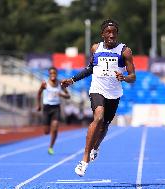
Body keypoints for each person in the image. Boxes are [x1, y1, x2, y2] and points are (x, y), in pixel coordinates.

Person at [61, 19, 136, 176]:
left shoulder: (125, 51)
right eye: (108, 32)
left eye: (114, 32)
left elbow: (133, 76)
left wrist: (124, 78)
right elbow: (90, 69)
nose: (111, 35)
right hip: (97, 89)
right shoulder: (96, 48)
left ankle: (96, 147)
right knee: (98, 117)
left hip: (114, 93)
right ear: (102, 34)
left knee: (104, 125)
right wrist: (72, 80)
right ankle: (84, 159)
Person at [37, 67, 70, 155]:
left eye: (54, 73)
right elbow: (39, 93)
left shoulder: (60, 84)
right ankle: (49, 129)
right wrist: (38, 105)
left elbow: (68, 96)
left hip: (56, 108)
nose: (53, 75)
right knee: (46, 131)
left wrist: (62, 95)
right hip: (46, 108)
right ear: (49, 74)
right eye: (51, 73)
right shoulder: (44, 84)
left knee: (55, 128)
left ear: (56, 74)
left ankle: (51, 147)